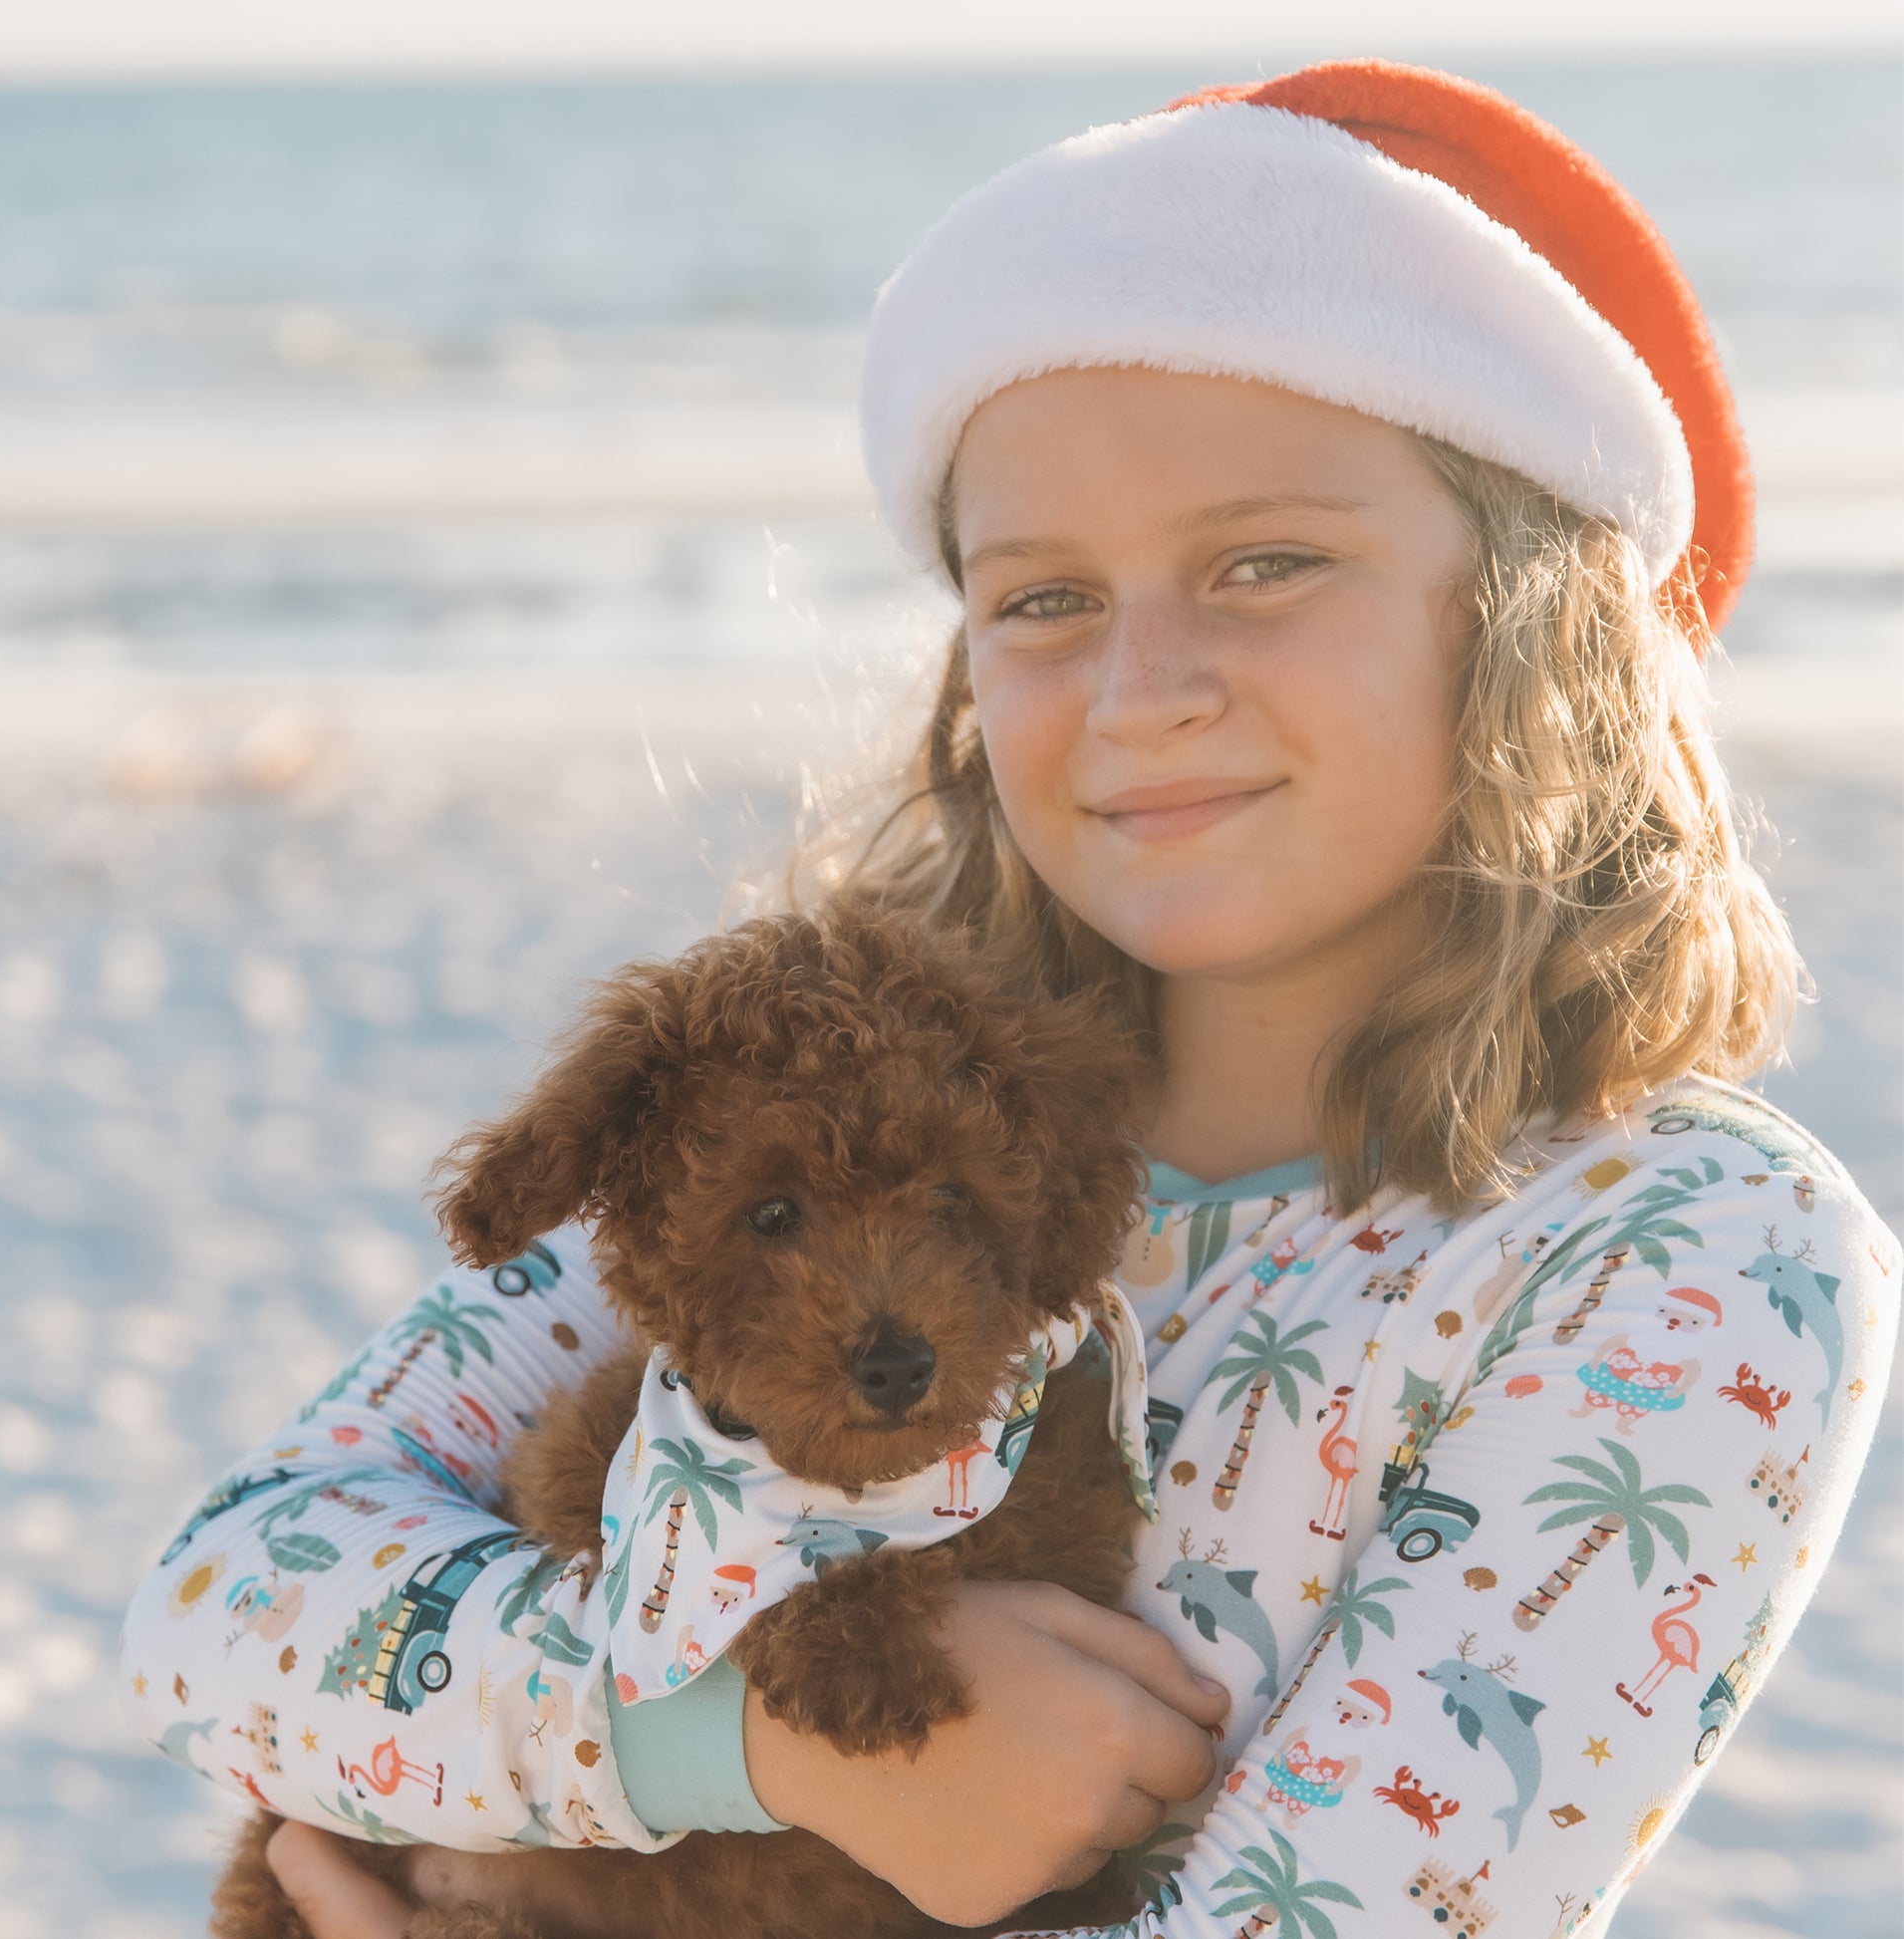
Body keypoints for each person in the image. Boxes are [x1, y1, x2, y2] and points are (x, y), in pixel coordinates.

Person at [121, 60, 1898, 1939]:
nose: (1140, 687)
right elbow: (222, 1608)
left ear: (1536, 614)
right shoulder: (821, 1126)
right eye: (1042, 598)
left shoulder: (1682, 1253)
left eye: (1265, 562)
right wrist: (759, 1751)